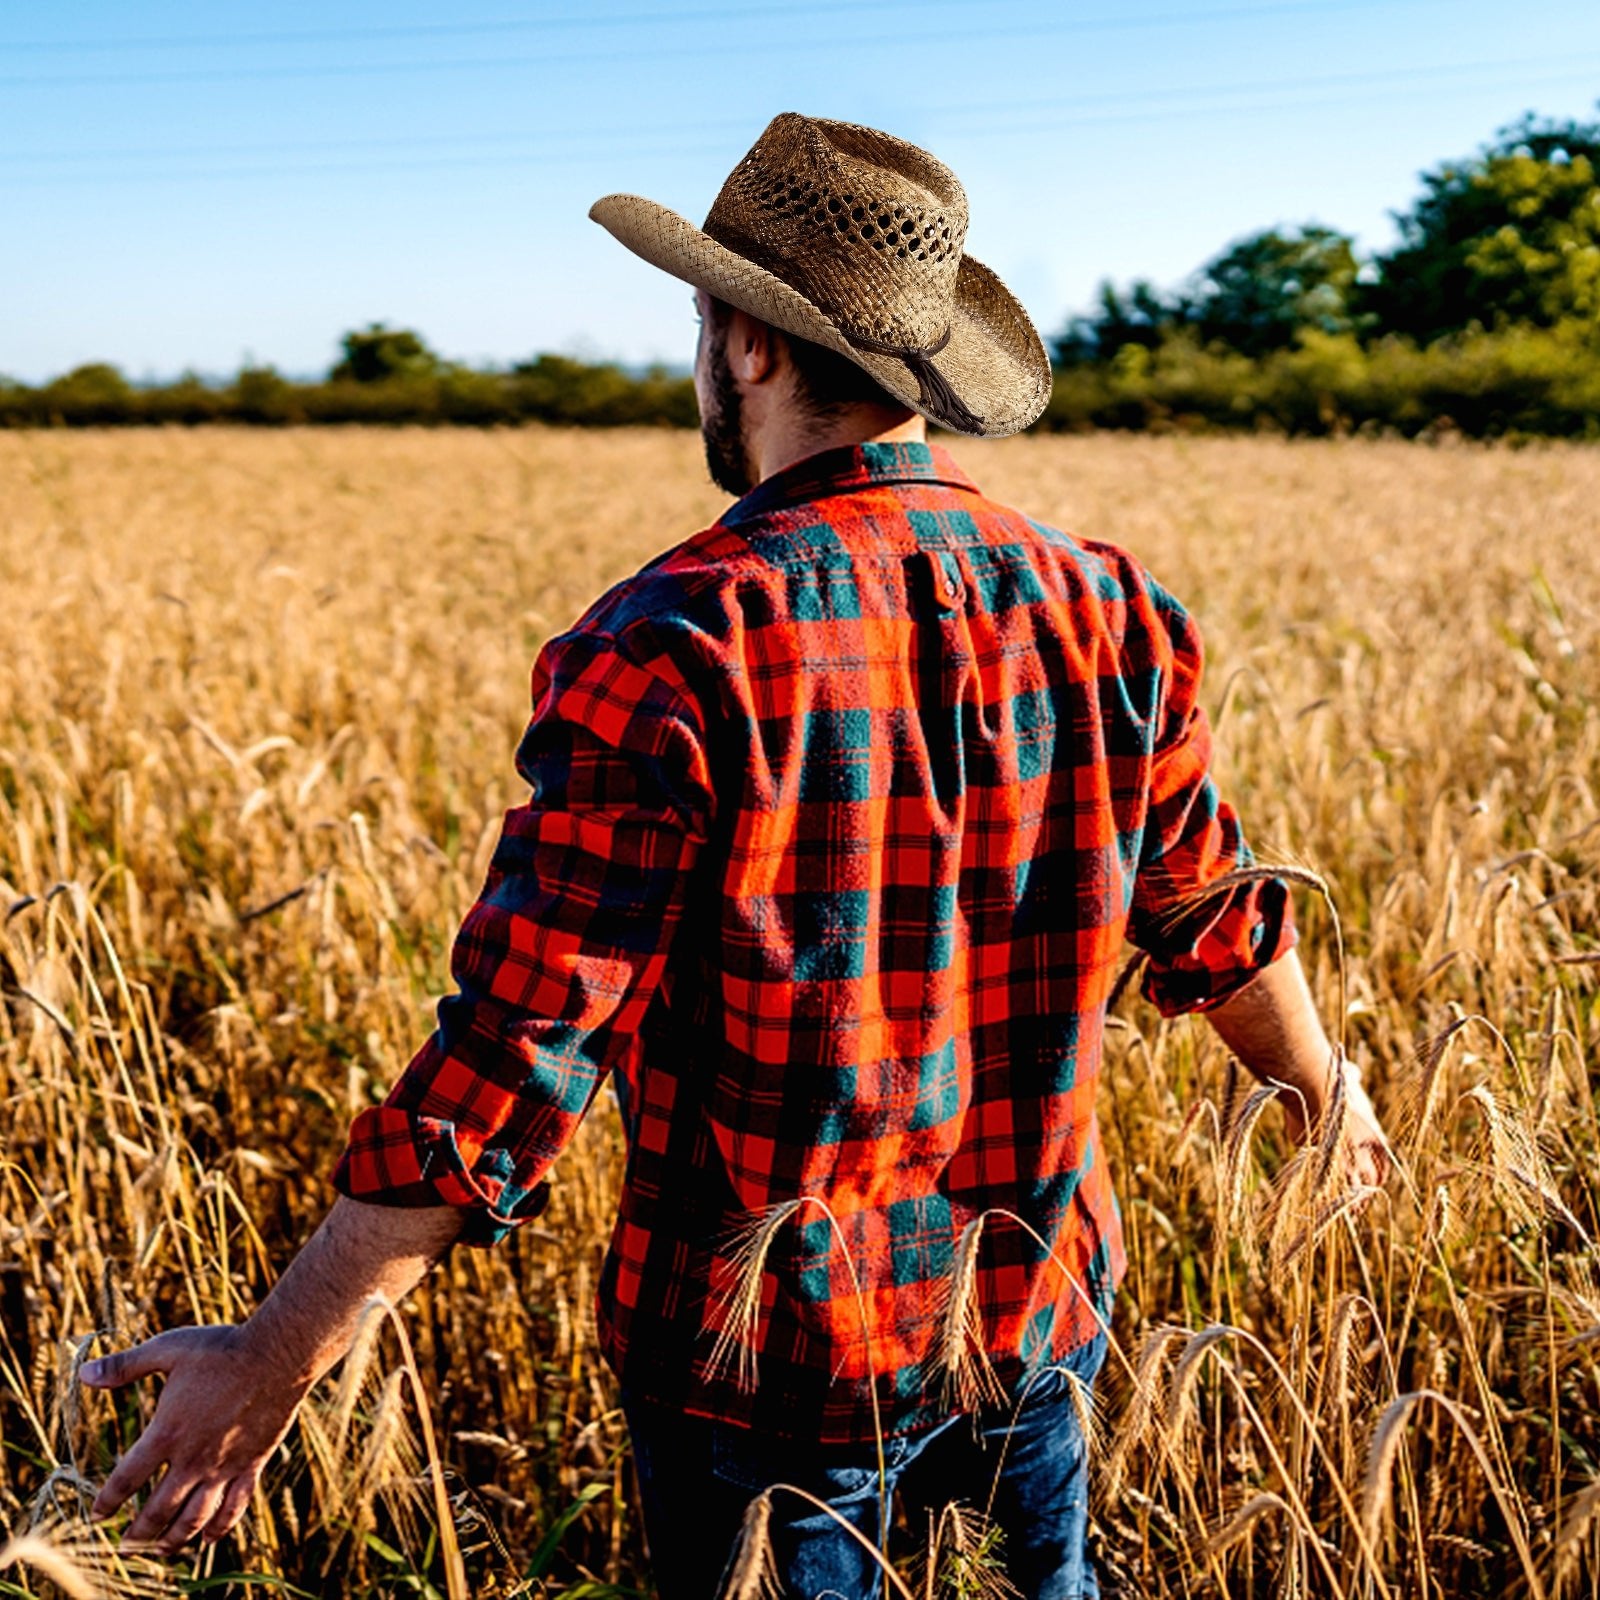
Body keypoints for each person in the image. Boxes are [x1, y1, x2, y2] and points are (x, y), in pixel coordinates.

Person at [82, 114, 1389, 1597]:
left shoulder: (675, 641)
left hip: (766, 1379)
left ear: (748, 346)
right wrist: (1321, 1089)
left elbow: (520, 1053)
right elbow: (1214, 912)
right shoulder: (1109, 607)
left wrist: (276, 1353)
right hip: (1037, 1328)